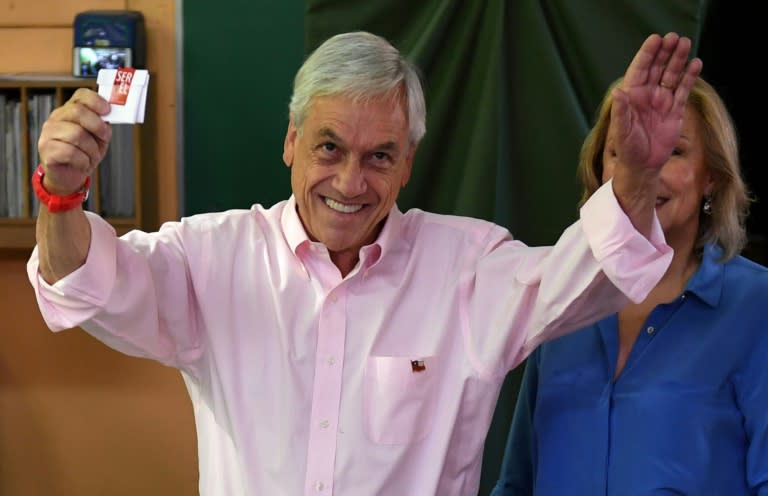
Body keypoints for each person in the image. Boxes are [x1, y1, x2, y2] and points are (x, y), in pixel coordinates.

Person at [27, 30, 701, 495]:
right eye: (329, 148)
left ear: (408, 162)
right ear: (291, 142)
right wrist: (60, 194)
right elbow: (89, 284)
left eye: (380, 155)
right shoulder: (213, 257)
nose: (351, 182)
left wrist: (637, 177)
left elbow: (587, 279)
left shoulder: (468, 266)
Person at [490, 77, 768, 496]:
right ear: (601, 171)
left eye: (672, 151)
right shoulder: (563, 298)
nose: (645, 171)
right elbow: (517, 483)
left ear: (711, 175)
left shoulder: (757, 306)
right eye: (623, 153)